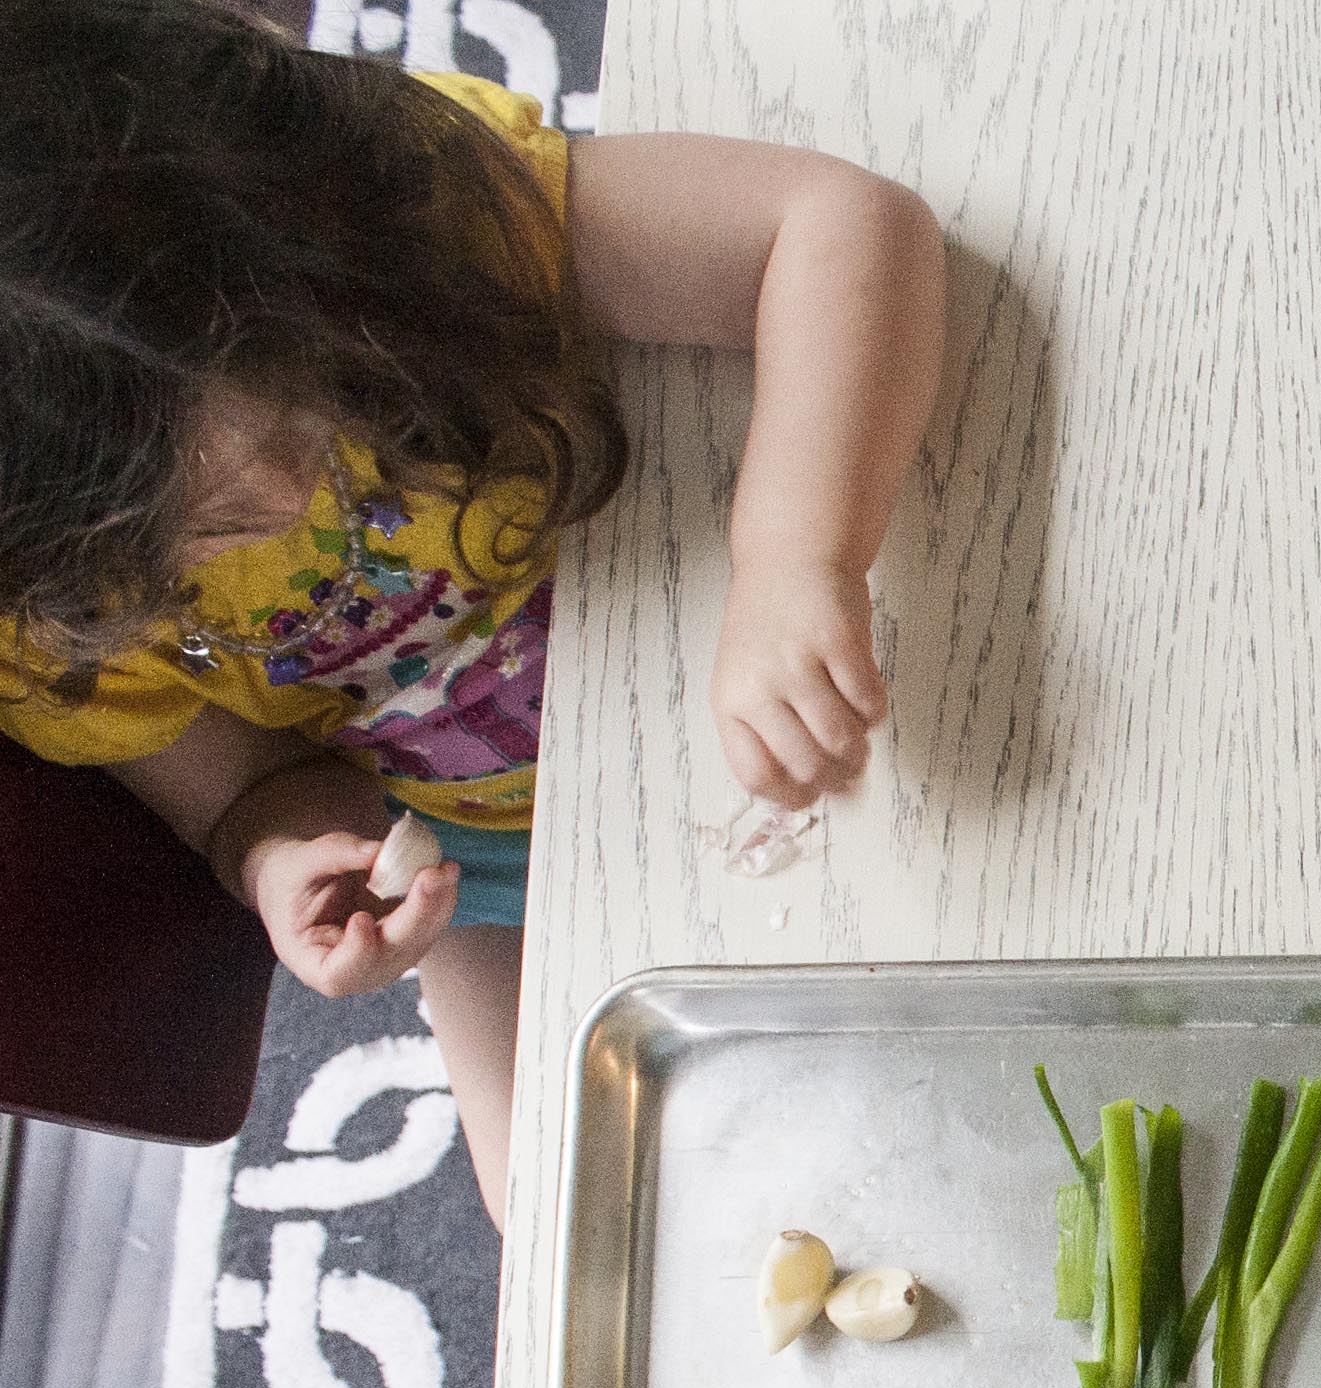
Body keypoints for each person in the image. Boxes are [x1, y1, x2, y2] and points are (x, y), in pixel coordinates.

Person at [0, 0, 947, 1224]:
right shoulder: (44, 623)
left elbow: (839, 226)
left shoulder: (381, 202)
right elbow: (247, 790)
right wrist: (292, 858)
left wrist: (795, 557)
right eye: (213, 534)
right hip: (488, 857)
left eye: (299, 417)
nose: (293, 496)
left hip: (702, 597)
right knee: (563, 1215)